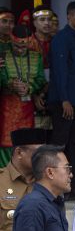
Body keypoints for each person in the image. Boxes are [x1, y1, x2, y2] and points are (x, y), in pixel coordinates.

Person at [48, 1, 75, 199]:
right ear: (69, 16)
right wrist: (65, 99)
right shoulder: (62, 39)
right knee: (59, 145)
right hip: (64, 101)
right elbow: (60, 71)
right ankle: (53, 186)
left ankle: (73, 186)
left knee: (74, 145)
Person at [0, 26, 46, 167]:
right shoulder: (3, 56)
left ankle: (24, 180)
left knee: (26, 143)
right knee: (6, 143)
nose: (20, 49)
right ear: (11, 41)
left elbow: (40, 80)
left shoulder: (36, 57)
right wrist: (10, 84)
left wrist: (30, 87)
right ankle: (4, 181)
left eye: (23, 46)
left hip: (27, 107)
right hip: (7, 106)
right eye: (17, 46)